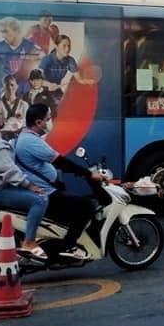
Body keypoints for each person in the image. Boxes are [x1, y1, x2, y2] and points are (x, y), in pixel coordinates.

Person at [14, 103, 104, 260]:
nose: (51, 122)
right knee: (88, 206)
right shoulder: (30, 141)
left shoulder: (27, 137)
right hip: (46, 192)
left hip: (47, 189)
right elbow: (61, 162)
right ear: (39, 122)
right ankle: (68, 245)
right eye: (48, 118)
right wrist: (89, 173)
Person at [0, 104, 49, 260]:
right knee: (40, 199)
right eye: (1, 116)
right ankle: (29, 241)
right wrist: (29, 185)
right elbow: (8, 170)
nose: (4, 119)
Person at [39, 34, 95, 105]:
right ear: (56, 46)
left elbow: (79, 79)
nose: (67, 49)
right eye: (64, 46)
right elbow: (37, 78)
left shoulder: (70, 61)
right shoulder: (47, 59)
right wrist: (49, 84)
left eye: (69, 46)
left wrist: (88, 81)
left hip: (56, 90)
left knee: (63, 106)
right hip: (40, 88)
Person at [0, 74, 28, 141]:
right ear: (3, 87)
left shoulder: (24, 105)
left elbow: (26, 124)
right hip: (1, 137)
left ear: (17, 86)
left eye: (12, 85)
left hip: (19, 137)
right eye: (7, 85)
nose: (10, 88)